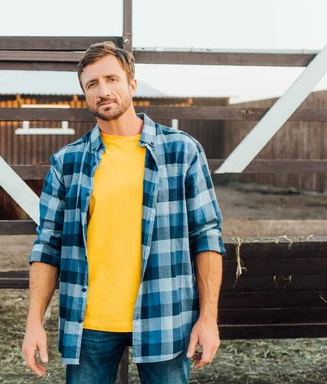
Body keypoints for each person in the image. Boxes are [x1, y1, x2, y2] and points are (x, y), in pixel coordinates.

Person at [22, 41, 225, 384]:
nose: (103, 91)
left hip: (165, 319)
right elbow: (48, 245)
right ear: (85, 94)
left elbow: (207, 236)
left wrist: (208, 318)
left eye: (111, 79)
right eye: (92, 84)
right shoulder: (67, 163)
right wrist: (33, 322)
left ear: (132, 84)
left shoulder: (183, 151)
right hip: (89, 325)